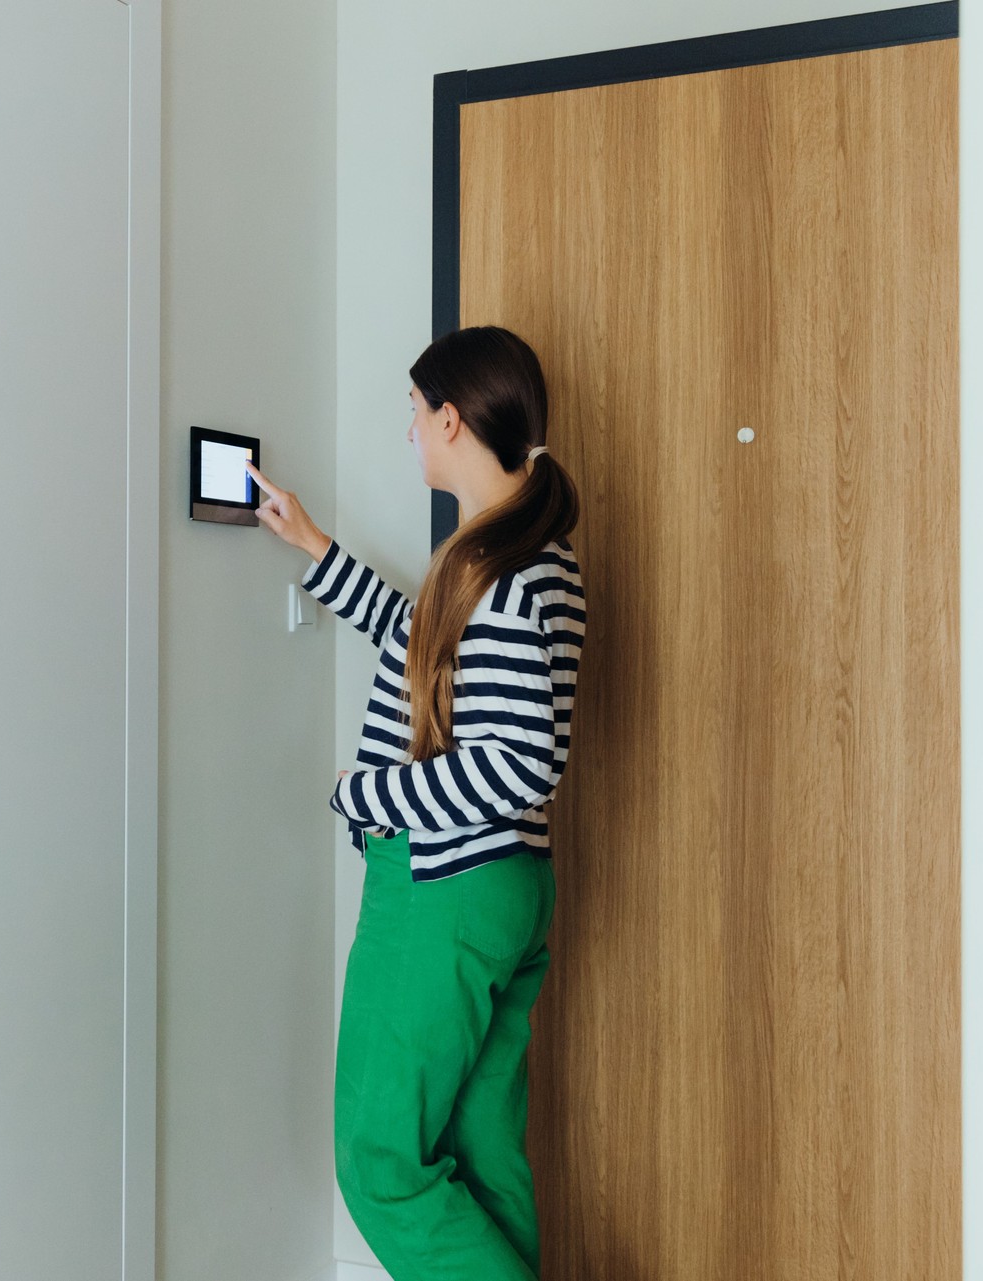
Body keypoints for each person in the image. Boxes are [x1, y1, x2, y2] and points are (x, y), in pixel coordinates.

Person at [245, 325, 585, 1280]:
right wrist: (316, 548)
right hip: (501, 887)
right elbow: (428, 640)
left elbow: (519, 762)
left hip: (444, 885)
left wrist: (369, 792)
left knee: (381, 1163)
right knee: (478, 1157)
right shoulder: (517, 555)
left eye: (413, 414)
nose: (409, 434)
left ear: (451, 417)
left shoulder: (512, 571)